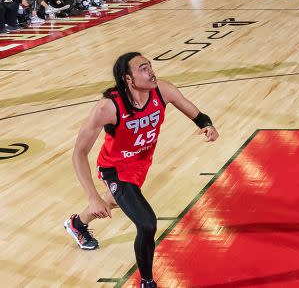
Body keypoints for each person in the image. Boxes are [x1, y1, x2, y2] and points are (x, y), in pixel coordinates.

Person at [64, 53, 220, 288]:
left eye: (150, 66)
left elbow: (195, 113)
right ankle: (147, 282)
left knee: (115, 201)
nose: (151, 72)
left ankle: (77, 224)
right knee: (146, 223)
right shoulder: (108, 107)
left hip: (141, 163)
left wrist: (207, 125)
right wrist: (92, 196)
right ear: (128, 78)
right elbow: (79, 153)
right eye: (143, 68)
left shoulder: (163, 90)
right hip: (114, 168)